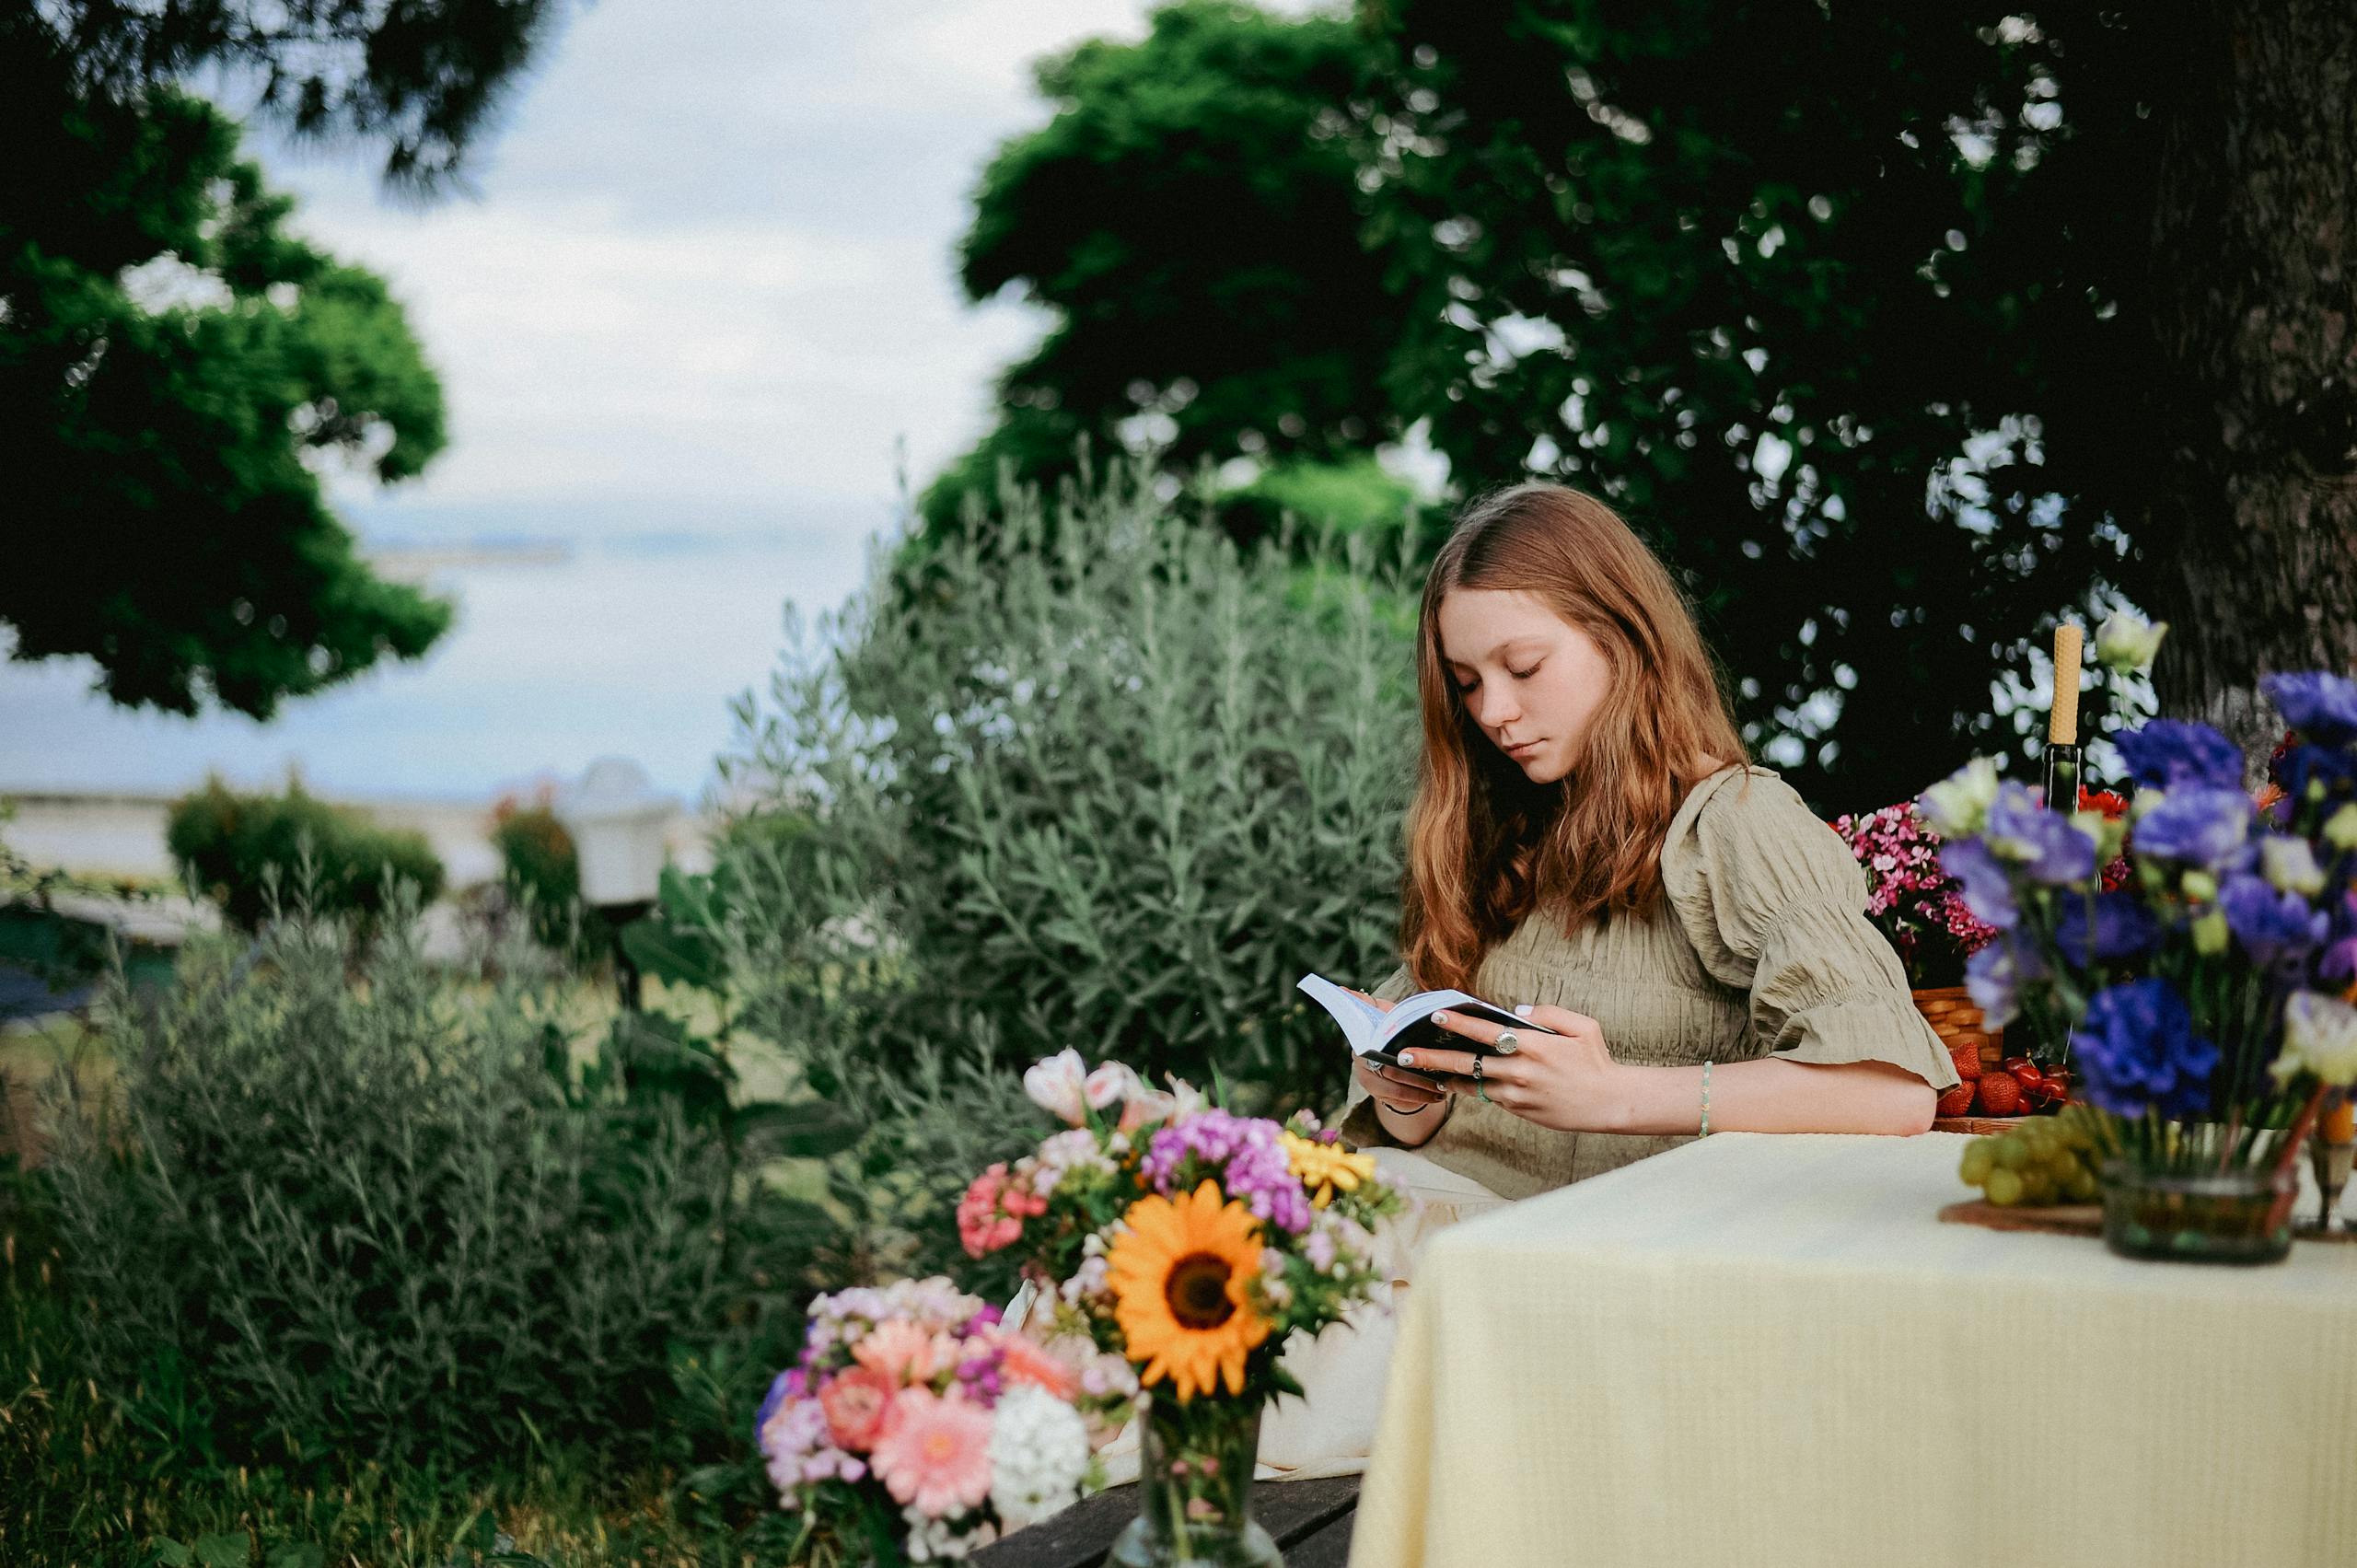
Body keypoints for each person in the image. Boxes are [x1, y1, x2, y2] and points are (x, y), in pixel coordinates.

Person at [1253, 481, 1957, 1478]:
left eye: (1522, 666)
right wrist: (1400, 1086)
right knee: (1166, 1253)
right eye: (1466, 682)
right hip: (1431, 1235)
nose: (1494, 711)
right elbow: (1432, 1117)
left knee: (1229, 1347)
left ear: (1622, 636)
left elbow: (1890, 1094)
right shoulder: (1502, 833)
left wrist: (1616, 1092)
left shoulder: (1736, 824)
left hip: (1554, 1282)